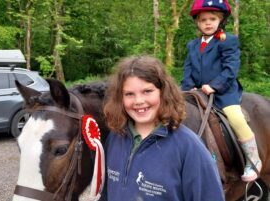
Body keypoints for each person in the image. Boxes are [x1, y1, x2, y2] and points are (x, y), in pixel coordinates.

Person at [100, 55, 224, 201]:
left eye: (147, 91)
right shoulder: (115, 138)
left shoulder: (190, 147)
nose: (139, 101)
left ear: (163, 92)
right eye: (129, 94)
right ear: (120, 98)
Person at [181, 0, 262, 182]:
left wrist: (214, 86)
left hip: (223, 91)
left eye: (212, 19)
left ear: (220, 20)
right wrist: (188, 87)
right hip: (197, 92)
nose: (208, 23)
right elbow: (187, 70)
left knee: (235, 118)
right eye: (203, 20)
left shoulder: (228, 41)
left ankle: (253, 159)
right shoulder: (192, 45)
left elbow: (230, 69)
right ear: (197, 23)